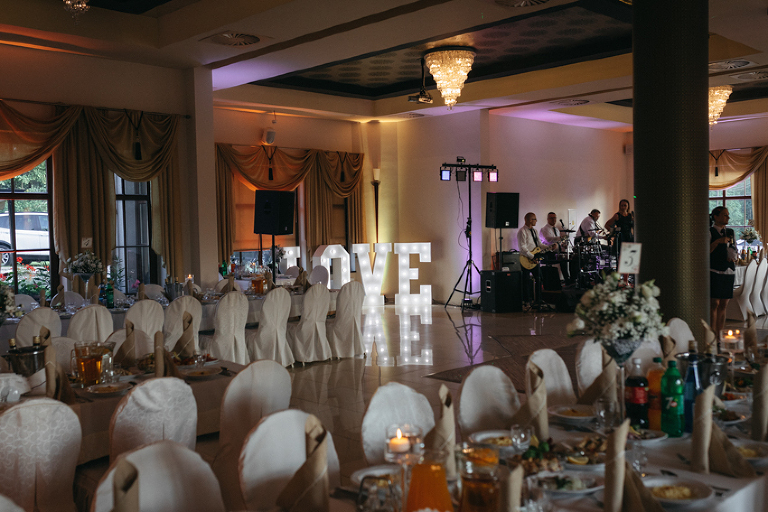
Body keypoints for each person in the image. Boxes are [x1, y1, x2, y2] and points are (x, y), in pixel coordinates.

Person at [710, 206, 739, 338]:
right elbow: (705, 251)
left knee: (724, 305)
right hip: (715, 270)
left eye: (728, 215)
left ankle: (720, 335)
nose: (728, 217)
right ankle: (712, 334)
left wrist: (733, 256)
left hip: (729, 270)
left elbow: (734, 247)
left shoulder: (730, 232)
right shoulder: (709, 232)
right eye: (725, 215)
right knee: (714, 304)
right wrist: (717, 242)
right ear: (716, 216)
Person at [517, 212, 556, 304]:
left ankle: (538, 300)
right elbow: (522, 247)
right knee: (526, 280)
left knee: (539, 278)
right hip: (526, 259)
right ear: (530, 220)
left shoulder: (535, 231)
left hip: (535, 259)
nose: (536, 221)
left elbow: (539, 244)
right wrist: (532, 256)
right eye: (534, 219)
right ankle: (526, 301)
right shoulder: (522, 231)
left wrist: (549, 247)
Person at [540, 212, 577, 284]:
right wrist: (560, 238)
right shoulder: (545, 229)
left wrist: (562, 244)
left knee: (571, 257)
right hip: (548, 252)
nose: (553, 220)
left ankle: (571, 279)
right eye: (551, 218)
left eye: (554, 218)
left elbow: (558, 241)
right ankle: (567, 280)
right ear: (548, 219)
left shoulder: (556, 229)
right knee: (563, 260)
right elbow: (548, 239)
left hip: (557, 252)